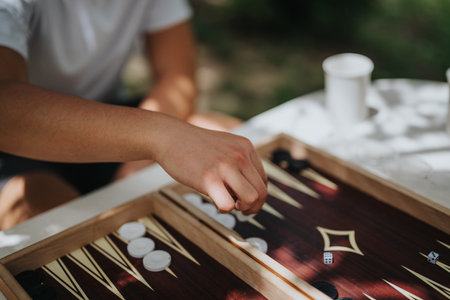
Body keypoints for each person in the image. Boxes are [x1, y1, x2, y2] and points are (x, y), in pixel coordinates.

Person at [0, 0, 267, 230]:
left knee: (224, 130)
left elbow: (177, 76)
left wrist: (137, 163)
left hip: (112, 119)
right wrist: (163, 137)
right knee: (55, 225)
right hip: (17, 147)